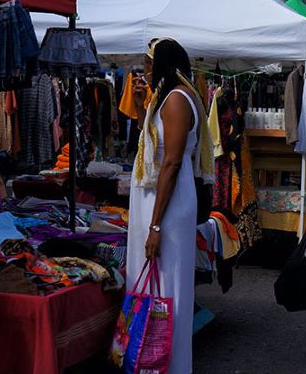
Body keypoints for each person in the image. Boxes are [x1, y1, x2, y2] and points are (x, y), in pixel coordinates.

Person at [127, 38, 210, 374]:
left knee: (166, 285)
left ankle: (168, 364)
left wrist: (155, 225)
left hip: (167, 203)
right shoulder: (169, 96)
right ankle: (153, 359)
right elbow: (154, 147)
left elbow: (172, 162)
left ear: (162, 63)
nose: (145, 69)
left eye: (149, 63)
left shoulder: (176, 100)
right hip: (160, 198)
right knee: (156, 283)